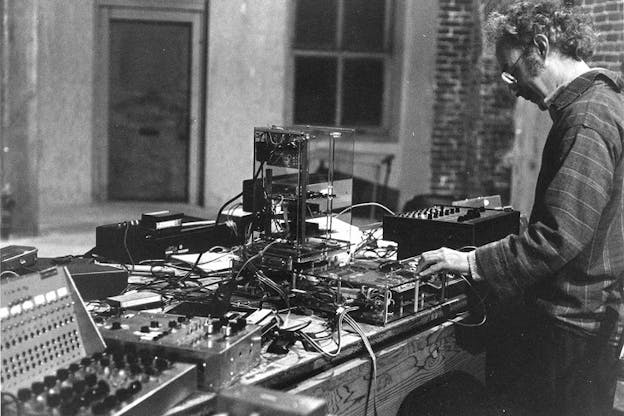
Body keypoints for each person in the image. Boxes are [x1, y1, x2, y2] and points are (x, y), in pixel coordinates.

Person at [415, 1, 624, 415]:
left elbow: (557, 238)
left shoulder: (585, 120)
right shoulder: (607, 101)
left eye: (512, 71)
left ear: (541, 47)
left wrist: (469, 262)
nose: (511, 87)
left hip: (571, 330)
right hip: (593, 321)